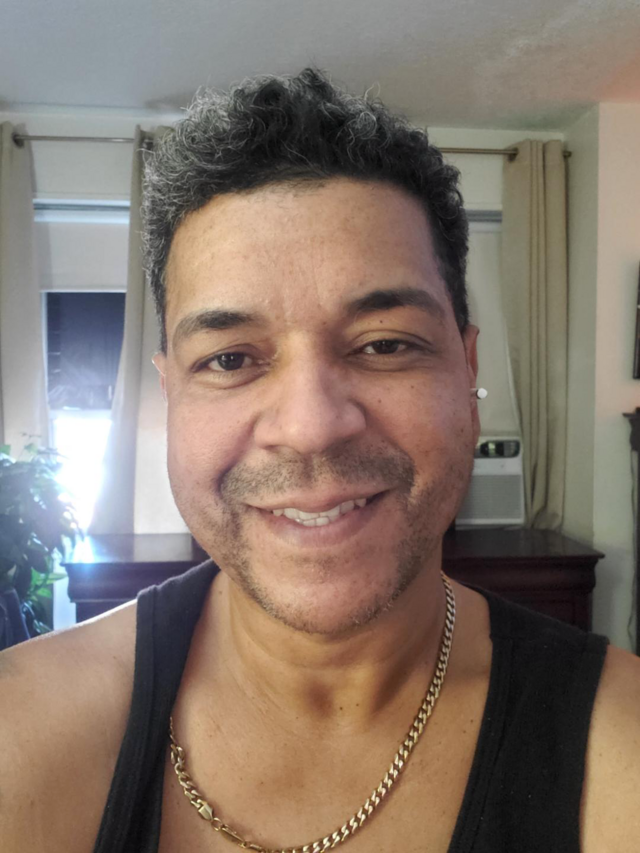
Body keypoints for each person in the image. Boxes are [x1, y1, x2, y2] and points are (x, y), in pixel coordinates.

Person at [1, 68, 639, 853]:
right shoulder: (21, 739)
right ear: (170, 395)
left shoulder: (623, 750)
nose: (310, 427)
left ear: (466, 371)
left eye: (385, 345)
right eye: (230, 359)